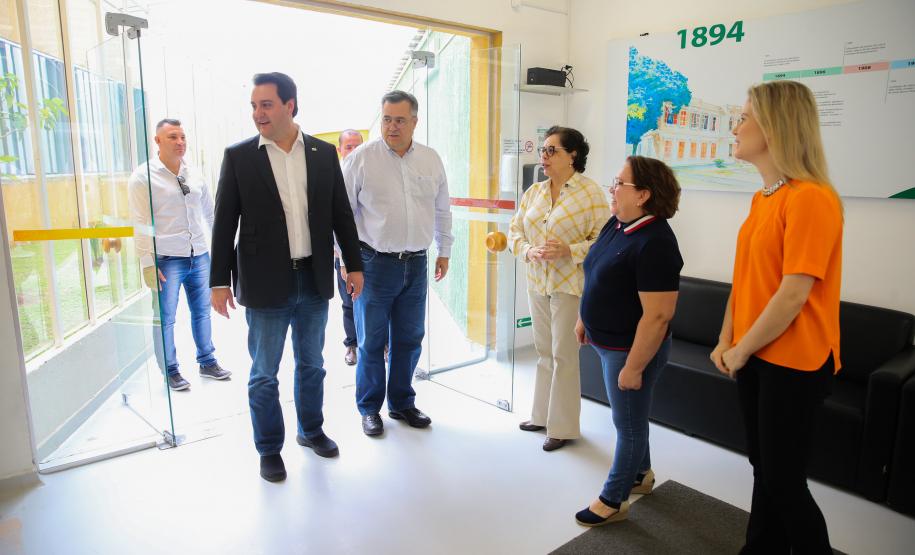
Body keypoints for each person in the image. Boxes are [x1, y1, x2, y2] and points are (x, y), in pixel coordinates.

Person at [210, 72, 364, 482]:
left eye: (266, 105)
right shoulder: (239, 157)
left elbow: (340, 215)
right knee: (264, 373)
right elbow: (224, 224)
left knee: (312, 365)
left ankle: (310, 430)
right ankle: (269, 448)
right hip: (264, 286)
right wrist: (218, 281)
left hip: (312, 280)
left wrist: (355, 263)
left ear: (289, 105)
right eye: (254, 106)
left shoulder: (321, 153)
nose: (257, 113)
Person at [710, 80, 843, 554]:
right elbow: (744, 280)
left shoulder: (811, 198)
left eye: (745, 116)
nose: (736, 126)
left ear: (775, 127)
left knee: (785, 481)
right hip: (754, 354)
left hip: (795, 360)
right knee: (765, 471)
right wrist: (726, 339)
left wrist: (742, 349)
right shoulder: (763, 198)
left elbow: (792, 295)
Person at [574, 156, 683, 526]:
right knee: (632, 418)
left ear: (644, 195)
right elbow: (595, 272)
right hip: (606, 341)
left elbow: (658, 315)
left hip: (631, 350)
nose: (612, 188)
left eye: (620, 183)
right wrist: (583, 318)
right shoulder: (618, 224)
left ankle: (614, 499)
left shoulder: (657, 243)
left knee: (628, 425)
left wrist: (635, 366)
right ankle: (641, 475)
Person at [341, 90, 453, 437]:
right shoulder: (361, 158)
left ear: (414, 122)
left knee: (410, 337)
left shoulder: (431, 160)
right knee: (371, 340)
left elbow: (441, 209)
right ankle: (370, 409)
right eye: (387, 119)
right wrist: (347, 262)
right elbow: (342, 214)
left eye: (400, 120)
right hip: (373, 264)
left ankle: (402, 402)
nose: (392, 126)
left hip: (416, 264)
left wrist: (444, 249)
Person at [508, 126, 610, 451]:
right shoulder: (534, 192)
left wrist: (571, 250)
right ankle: (540, 415)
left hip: (570, 284)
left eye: (552, 150)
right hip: (537, 280)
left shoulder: (591, 193)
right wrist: (527, 250)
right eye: (543, 149)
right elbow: (514, 231)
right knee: (543, 351)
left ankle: (563, 427)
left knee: (564, 354)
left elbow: (604, 242)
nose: (544, 156)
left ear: (573, 156)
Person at [128, 118, 231, 392]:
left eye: (183, 137)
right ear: (158, 141)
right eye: (173, 137)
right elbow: (140, 223)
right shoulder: (143, 177)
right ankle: (170, 370)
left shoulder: (193, 173)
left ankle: (207, 361)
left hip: (199, 255)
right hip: (166, 259)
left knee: (202, 312)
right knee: (166, 317)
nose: (180, 142)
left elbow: (210, 214)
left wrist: (220, 252)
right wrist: (147, 263)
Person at [334, 129, 363, 366]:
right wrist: (343, 261)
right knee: (349, 302)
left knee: (374, 302)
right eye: (348, 147)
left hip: (369, 253)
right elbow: (334, 223)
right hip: (342, 254)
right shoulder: (333, 179)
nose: (353, 151)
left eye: (357, 146)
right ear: (339, 150)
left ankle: (380, 343)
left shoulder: (370, 174)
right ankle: (352, 345)